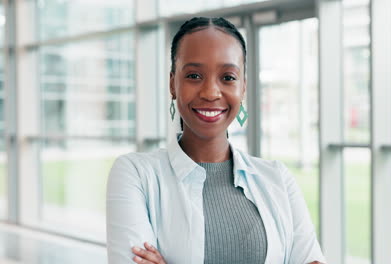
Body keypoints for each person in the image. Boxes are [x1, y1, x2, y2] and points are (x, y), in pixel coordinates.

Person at [106, 17, 326, 264]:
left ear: (243, 87)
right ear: (172, 84)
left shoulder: (278, 179)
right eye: (194, 75)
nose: (211, 92)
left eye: (228, 77)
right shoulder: (135, 174)